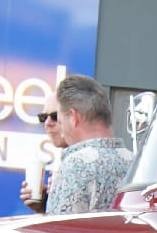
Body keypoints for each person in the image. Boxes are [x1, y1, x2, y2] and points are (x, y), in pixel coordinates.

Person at [42, 75, 133, 214]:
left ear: (73, 117)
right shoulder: (135, 163)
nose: (62, 130)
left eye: (59, 120)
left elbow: (58, 231)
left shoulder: (74, 165)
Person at [20, 103, 68, 213]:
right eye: (44, 117)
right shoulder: (60, 158)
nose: (47, 123)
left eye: (55, 116)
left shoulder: (87, 161)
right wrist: (44, 204)